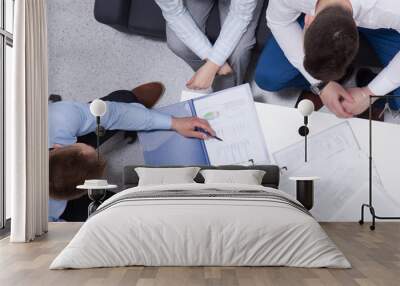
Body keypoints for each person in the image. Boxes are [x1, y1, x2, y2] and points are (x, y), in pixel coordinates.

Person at [49, 82, 215, 222]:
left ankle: (135, 104)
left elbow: (114, 114)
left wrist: (173, 122)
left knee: (122, 101)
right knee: (121, 217)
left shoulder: (58, 118)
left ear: (57, 147)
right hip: (54, 208)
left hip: (51, 134)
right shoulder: (38, 219)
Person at [255, 0, 400, 118]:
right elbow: (279, 22)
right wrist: (321, 85)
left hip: (385, 25)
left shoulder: (391, 8)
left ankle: (372, 88)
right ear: (309, 19)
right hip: (324, 11)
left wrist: (369, 93)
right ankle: (339, 78)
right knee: (268, 77)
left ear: (309, 21)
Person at [155, 0, 264, 91]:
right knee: (178, 44)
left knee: (238, 52)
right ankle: (218, 81)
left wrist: (214, 63)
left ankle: (230, 91)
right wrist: (214, 64)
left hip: (241, 7)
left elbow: (241, 15)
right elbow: (174, 13)